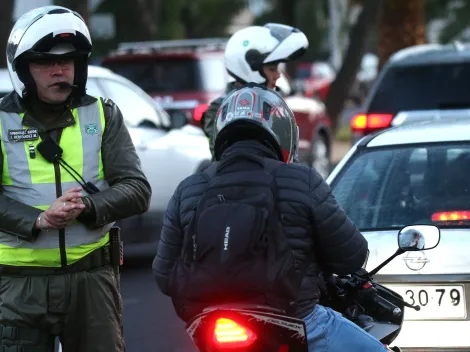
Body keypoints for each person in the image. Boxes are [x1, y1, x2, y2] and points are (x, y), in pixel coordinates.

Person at [153, 85, 389, 351]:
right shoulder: (302, 179)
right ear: (283, 132)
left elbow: (164, 274)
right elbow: (351, 256)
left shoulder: (189, 188)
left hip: (208, 324)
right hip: (297, 321)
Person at [0, 6, 151, 351]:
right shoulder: (0, 121)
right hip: (19, 287)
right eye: (45, 63)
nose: (59, 71)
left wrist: (87, 205)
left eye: (67, 62)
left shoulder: (103, 113)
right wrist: (39, 219)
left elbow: (137, 189)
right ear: (23, 69)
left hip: (92, 281)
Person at [200, 23, 308, 159]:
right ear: (250, 67)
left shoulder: (272, 105)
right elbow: (226, 159)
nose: (278, 75)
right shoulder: (221, 109)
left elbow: (289, 159)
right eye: (272, 69)